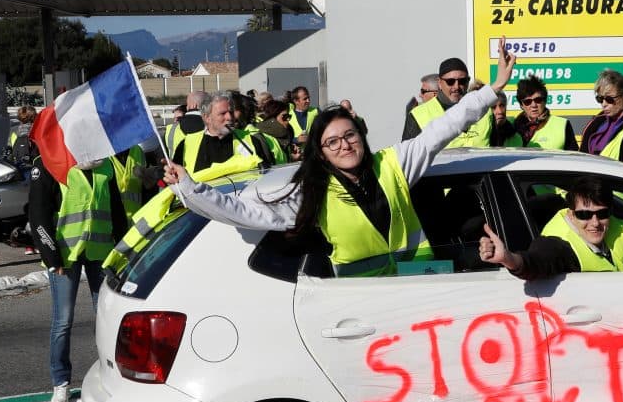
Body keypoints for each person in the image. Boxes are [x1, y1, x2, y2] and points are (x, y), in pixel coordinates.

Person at [164, 39, 519, 277]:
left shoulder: (393, 163)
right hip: (360, 307)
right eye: (332, 141)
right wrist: (191, 189)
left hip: (418, 287)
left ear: (361, 136)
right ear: (320, 151)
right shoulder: (314, 191)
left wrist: (492, 89)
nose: (344, 145)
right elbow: (248, 212)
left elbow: (444, 128)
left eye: (349, 135)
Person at [29, 151, 135, 402]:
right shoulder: (52, 163)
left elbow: (117, 213)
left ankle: (111, 377)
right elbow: (38, 214)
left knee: (106, 318)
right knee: (63, 321)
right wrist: (51, 256)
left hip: (100, 252)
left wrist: (124, 252)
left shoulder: (105, 166)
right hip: (65, 257)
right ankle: (61, 384)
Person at [478, 175, 623, 278]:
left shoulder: (618, 228)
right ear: (571, 214)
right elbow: (535, 263)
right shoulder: (557, 243)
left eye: (602, 214)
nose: (595, 223)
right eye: (585, 214)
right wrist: (508, 259)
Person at [172, 91, 272, 176]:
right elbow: (176, 180)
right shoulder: (186, 144)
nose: (230, 117)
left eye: (231, 112)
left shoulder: (250, 141)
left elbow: (266, 174)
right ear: (207, 117)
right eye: (223, 113)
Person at [403, 57, 492, 147]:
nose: (456, 87)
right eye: (450, 82)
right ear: (439, 83)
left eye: (462, 81)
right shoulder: (418, 115)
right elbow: (407, 153)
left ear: (468, 81)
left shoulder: (486, 111)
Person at [509, 76, 577, 150]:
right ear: (521, 105)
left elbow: (574, 156)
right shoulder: (511, 126)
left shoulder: (562, 125)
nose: (533, 105)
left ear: (545, 101)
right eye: (527, 102)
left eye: (538, 100)